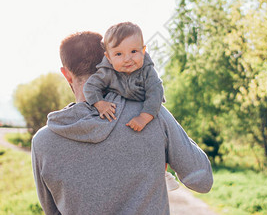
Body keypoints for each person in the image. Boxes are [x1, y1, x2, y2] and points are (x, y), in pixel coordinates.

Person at [31, 31, 213, 215]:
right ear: (109, 62)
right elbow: (202, 180)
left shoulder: (43, 142)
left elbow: (52, 211)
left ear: (66, 74)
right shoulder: (151, 115)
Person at [83, 22, 179, 191]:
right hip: (123, 108)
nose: (127, 59)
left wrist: (144, 116)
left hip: (147, 107)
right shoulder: (107, 72)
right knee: (125, 139)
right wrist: (100, 103)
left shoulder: (148, 72)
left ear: (143, 50)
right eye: (119, 54)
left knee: (156, 135)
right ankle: (126, 176)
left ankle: (163, 172)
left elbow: (155, 93)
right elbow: (90, 87)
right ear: (109, 57)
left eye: (134, 52)